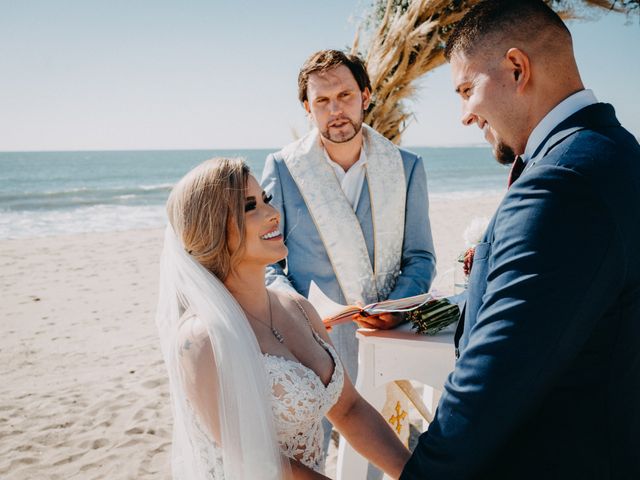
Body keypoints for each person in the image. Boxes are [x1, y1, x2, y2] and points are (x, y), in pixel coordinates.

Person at [401, 1, 640, 479]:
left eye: (466, 89)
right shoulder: (618, 151)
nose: (465, 115)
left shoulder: (563, 182)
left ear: (516, 67)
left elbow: (492, 380)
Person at [155, 157, 410, 479]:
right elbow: (256, 463)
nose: (273, 214)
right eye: (249, 207)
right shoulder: (201, 340)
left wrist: (414, 472)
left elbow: (349, 408)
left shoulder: (298, 307)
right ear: (211, 229)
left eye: (266, 200)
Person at [261, 49, 437, 386]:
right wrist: (297, 311)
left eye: (345, 95)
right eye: (322, 100)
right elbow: (266, 262)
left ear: (365, 96)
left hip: (387, 336)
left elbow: (421, 256)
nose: (335, 109)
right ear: (307, 109)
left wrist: (395, 308)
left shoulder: (406, 167)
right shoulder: (284, 169)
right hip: (310, 343)